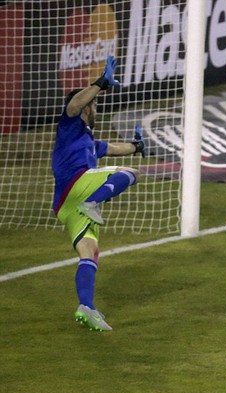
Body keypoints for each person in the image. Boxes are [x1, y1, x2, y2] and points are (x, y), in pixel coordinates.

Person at [52, 55, 146, 331]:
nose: (94, 109)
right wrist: (100, 84)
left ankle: (86, 307)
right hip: (77, 185)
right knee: (132, 174)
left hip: (66, 206)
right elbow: (73, 104)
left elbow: (115, 148)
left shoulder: (89, 142)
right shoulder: (70, 126)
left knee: (90, 252)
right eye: (93, 104)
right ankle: (94, 200)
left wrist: (137, 146)